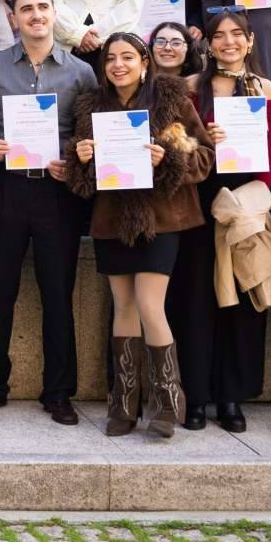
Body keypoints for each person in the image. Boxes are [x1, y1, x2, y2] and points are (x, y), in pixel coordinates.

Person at [66, 32, 214, 438]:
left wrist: (169, 157)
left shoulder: (171, 101)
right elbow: (81, 179)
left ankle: (168, 400)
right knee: (124, 306)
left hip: (160, 219)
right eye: (111, 58)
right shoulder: (93, 106)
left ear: (144, 62)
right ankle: (124, 401)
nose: (118, 65)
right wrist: (81, 157)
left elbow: (204, 156)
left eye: (127, 57)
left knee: (150, 305)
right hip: (112, 220)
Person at [0, 0, 97, 422]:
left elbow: (88, 134)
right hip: (7, 190)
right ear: (13, 18)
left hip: (56, 194)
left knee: (58, 294)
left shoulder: (81, 72)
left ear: (54, 13)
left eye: (43, 7)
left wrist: (72, 159)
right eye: (26, 9)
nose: (36, 15)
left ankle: (59, 392)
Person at [176, 8, 271, 431]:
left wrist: (251, 203)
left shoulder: (267, 90)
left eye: (237, 34)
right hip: (199, 199)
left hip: (244, 201)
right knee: (197, 298)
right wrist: (203, 138)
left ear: (250, 40)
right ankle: (196, 396)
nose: (228, 42)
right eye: (219, 35)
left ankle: (231, 397)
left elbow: (269, 155)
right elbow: (177, 145)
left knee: (242, 297)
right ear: (208, 43)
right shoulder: (189, 87)